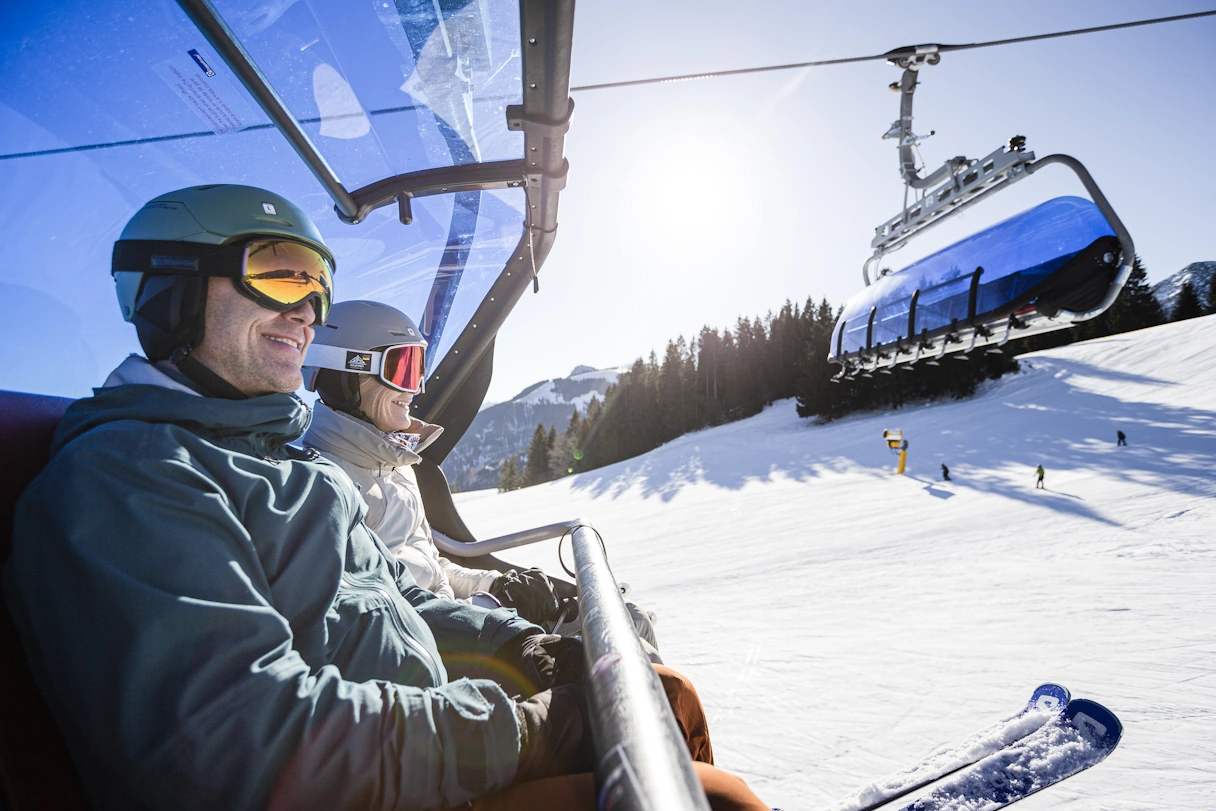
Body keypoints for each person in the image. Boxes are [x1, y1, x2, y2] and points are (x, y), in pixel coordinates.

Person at [3, 185, 768, 811]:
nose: (306, 309)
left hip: (416, 757)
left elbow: (400, 593)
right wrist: (532, 731)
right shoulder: (131, 477)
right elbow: (240, 744)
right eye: (278, 273)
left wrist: (515, 646)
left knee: (667, 698)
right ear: (169, 290)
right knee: (718, 803)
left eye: (316, 284)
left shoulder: (283, 465)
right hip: (357, 787)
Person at [299, 300, 661, 655]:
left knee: (632, 620)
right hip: (440, 651)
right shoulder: (322, 487)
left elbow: (432, 568)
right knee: (629, 652)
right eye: (403, 369)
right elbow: (383, 623)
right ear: (345, 375)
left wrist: (499, 584)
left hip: (467, 621)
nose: (416, 388)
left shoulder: (399, 467)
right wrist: (491, 608)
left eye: (419, 369)